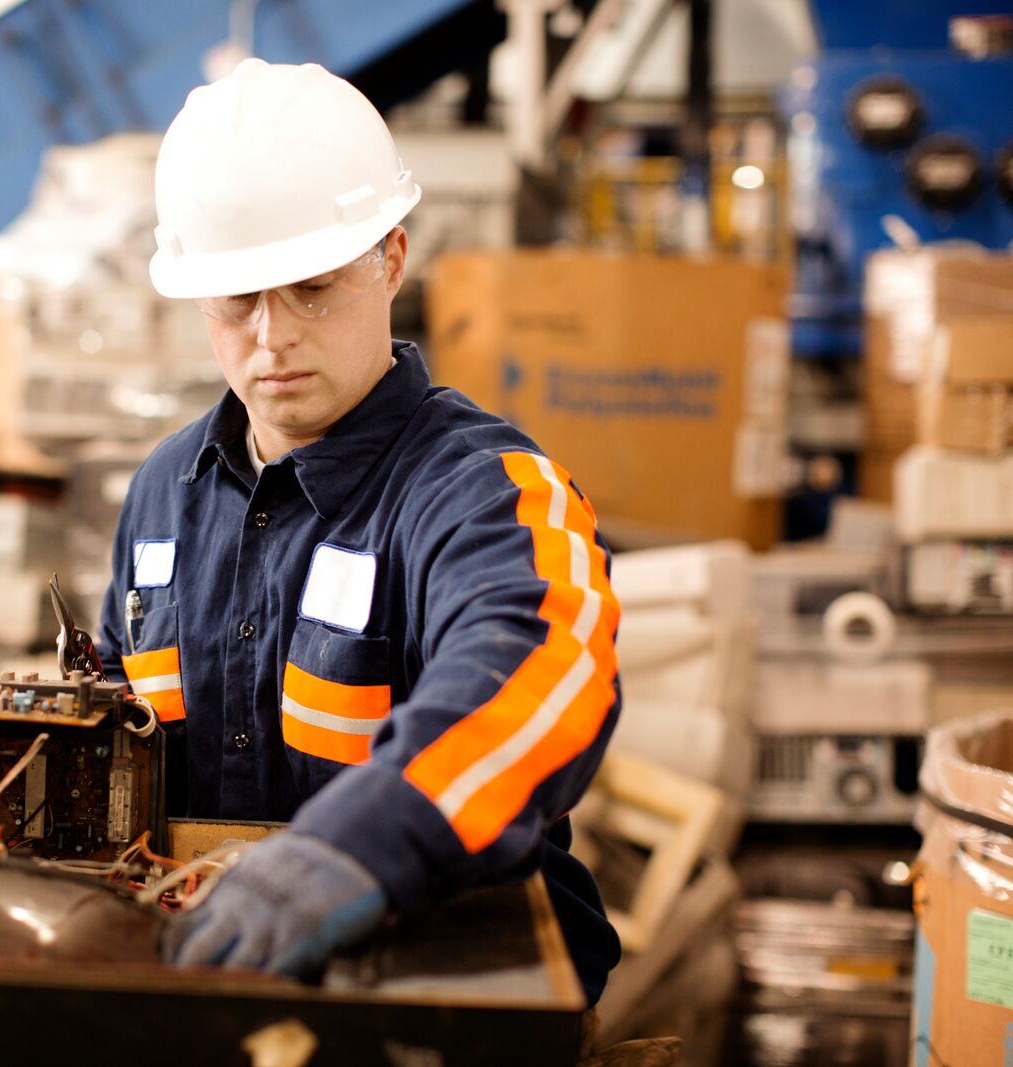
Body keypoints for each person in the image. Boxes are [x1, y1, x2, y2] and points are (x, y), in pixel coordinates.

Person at [97, 58, 623, 1004]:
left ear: (390, 260)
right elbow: (112, 719)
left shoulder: (486, 491)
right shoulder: (162, 492)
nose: (273, 337)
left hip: (456, 981)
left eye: (312, 288)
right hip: (218, 976)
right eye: (237, 299)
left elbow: (543, 673)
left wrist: (359, 849)